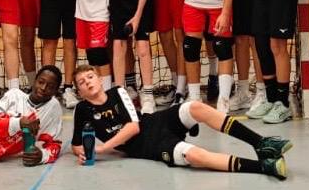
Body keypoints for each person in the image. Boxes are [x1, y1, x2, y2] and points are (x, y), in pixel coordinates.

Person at [71, 65, 289, 180]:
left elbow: (133, 127)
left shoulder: (117, 92)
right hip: (148, 146)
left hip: (154, 123)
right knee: (194, 156)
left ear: (99, 79)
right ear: (79, 91)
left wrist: (103, 149)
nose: (87, 82)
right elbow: (76, 144)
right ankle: (264, 167)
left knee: (195, 107)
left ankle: (261, 143)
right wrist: (84, 153)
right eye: (81, 82)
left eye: (90, 77)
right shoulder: (83, 110)